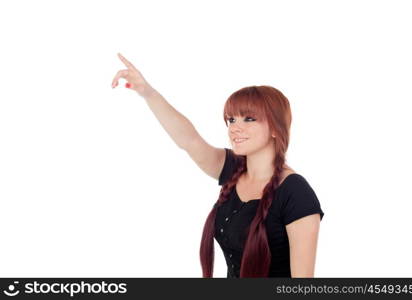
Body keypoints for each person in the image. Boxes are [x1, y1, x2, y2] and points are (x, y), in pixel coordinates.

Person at [111, 53, 325, 278]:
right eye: (231, 120)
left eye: (249, 119)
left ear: (275, 128)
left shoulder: (296, 192)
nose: (235, 128)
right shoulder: (234, 169)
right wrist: (148, 93)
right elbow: (189, 140)